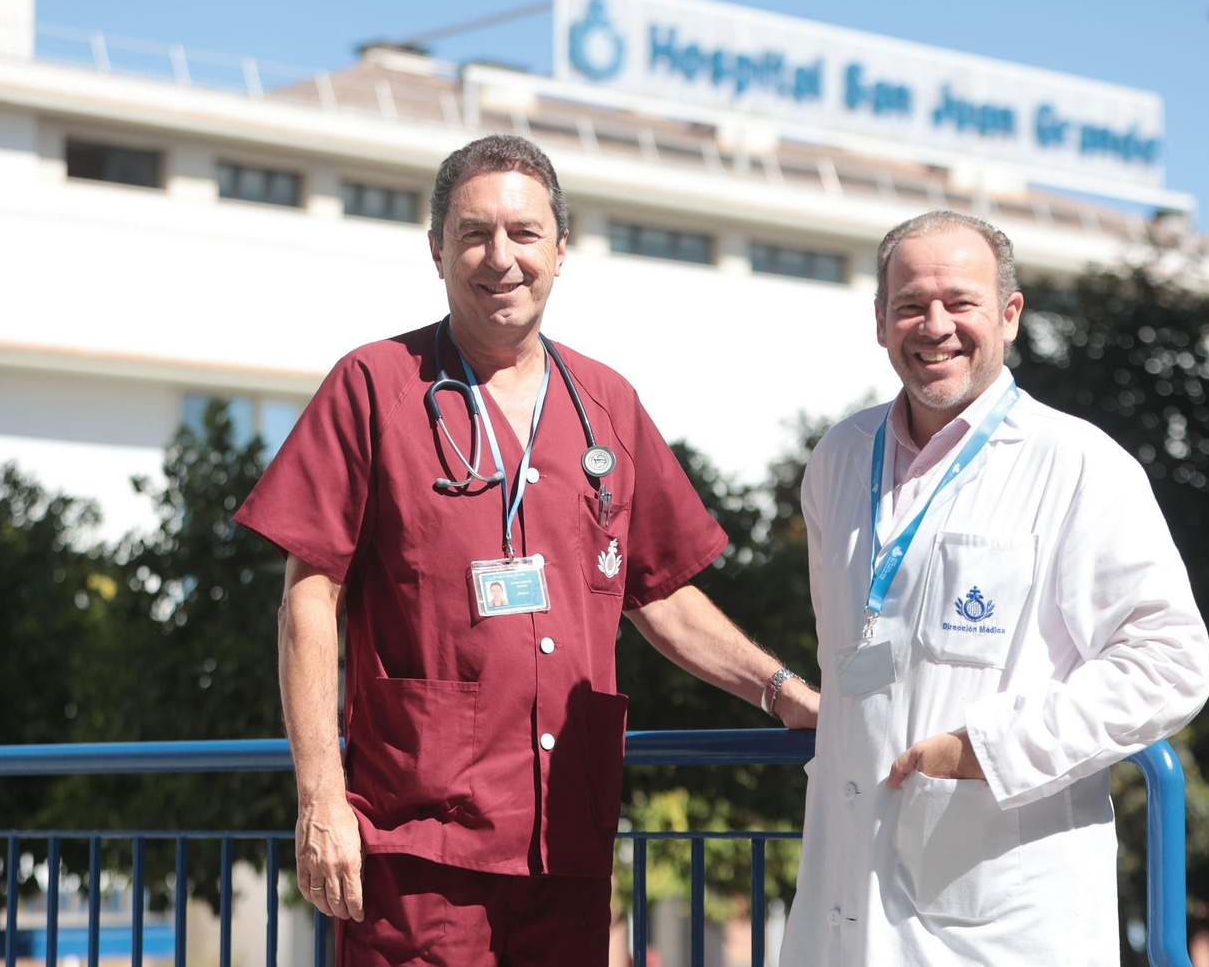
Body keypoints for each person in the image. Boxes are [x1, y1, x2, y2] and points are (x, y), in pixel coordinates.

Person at [234, 134, 819, 967]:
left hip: (565, 837)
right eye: (473, 234)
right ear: (436, 250)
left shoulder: (607, 404)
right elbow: (308, 598)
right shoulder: (373, 386)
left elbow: (658, 592)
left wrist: (782, 690)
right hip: (416, 836)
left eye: (524, 234)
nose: (499, 257)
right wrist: (320, 797)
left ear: (560, 250)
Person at [779, 211, 1209, 967]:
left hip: (1001, 919)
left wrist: (986, 750)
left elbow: (1170, 664)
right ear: (880, 322)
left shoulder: (1078, 464)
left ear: (1009, 316)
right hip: (843, 900)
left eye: (961, 302)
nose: (935, 325)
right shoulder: (838, 461)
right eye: (910, 304)